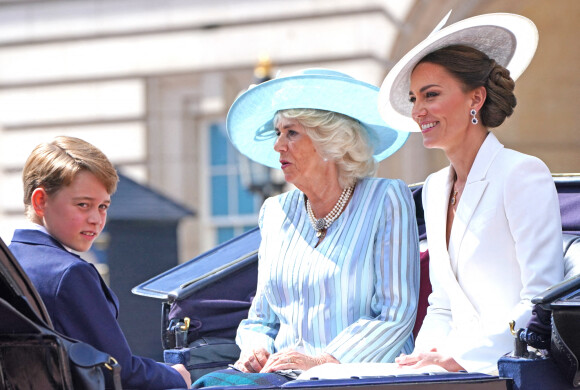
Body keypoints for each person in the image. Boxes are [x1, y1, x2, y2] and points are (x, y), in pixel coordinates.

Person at [194, 68, 420, 387]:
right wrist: (256, 348)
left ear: (330, 141)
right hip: (282, 377)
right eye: (277, 133)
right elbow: (261, 319)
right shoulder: (275, 211)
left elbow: (395, 313)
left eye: (291, 133)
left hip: (361, 376)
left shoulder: (385, 198)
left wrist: (325, 362)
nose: (277, 147)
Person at [377, 13, 564, 374]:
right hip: (450, 373)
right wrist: (422, 362)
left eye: (431, 95)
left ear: (475, 98)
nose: (418, 111)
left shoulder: (521, 173)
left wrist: (462, 358)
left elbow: (540, 300)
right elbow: (442, 305)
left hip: (511, 369)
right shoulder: (433, 189)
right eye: (415, 97)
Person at [9, 136, 192, 389]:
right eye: (83, 205)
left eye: (103, 206)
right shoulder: (70, 273)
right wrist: (176, 376)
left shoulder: (10, 264)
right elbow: (119, 371)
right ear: (40, 201)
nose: (96, 219)